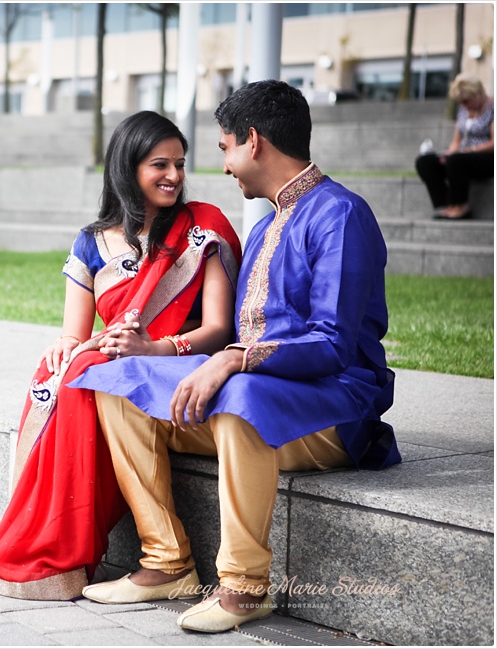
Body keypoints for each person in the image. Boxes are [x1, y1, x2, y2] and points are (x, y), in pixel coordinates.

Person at [71, 80, 401, 633]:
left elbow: (333, 344)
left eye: (224, 148)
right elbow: (235, 333)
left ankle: (246, 587)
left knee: (240, 394)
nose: (223, 165)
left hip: (335, 410)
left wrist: (233, 360)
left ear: (253, 141)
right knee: (118, 380)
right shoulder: (269, 221)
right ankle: (167, 560)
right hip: (257, 402)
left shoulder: (340, 215)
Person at [0, 111, 242, 600]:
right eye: (159, 164)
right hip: (115, 355)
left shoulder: (201, 228)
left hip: (177, 362)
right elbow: (75, 333)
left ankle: (49, 548)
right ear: (128, 168)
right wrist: (65, 345)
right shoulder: (90, 241)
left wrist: (153, 346)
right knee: (61, 367)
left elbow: (218, 329)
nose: (174, 176)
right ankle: (27, 536)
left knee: (90, 369)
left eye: (180, 164)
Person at [415, 75, 494, 220]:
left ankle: (461, 206)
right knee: (425, 162)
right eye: (460, 102)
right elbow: (456, 140)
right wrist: (449, 153)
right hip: (463, 157)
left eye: (466, 101)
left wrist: (468, 151)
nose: (463, 105)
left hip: (487, 157)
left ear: (478, 93)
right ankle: (448, 204)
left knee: (457, 160)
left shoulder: (493, 107)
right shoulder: (464, 111)